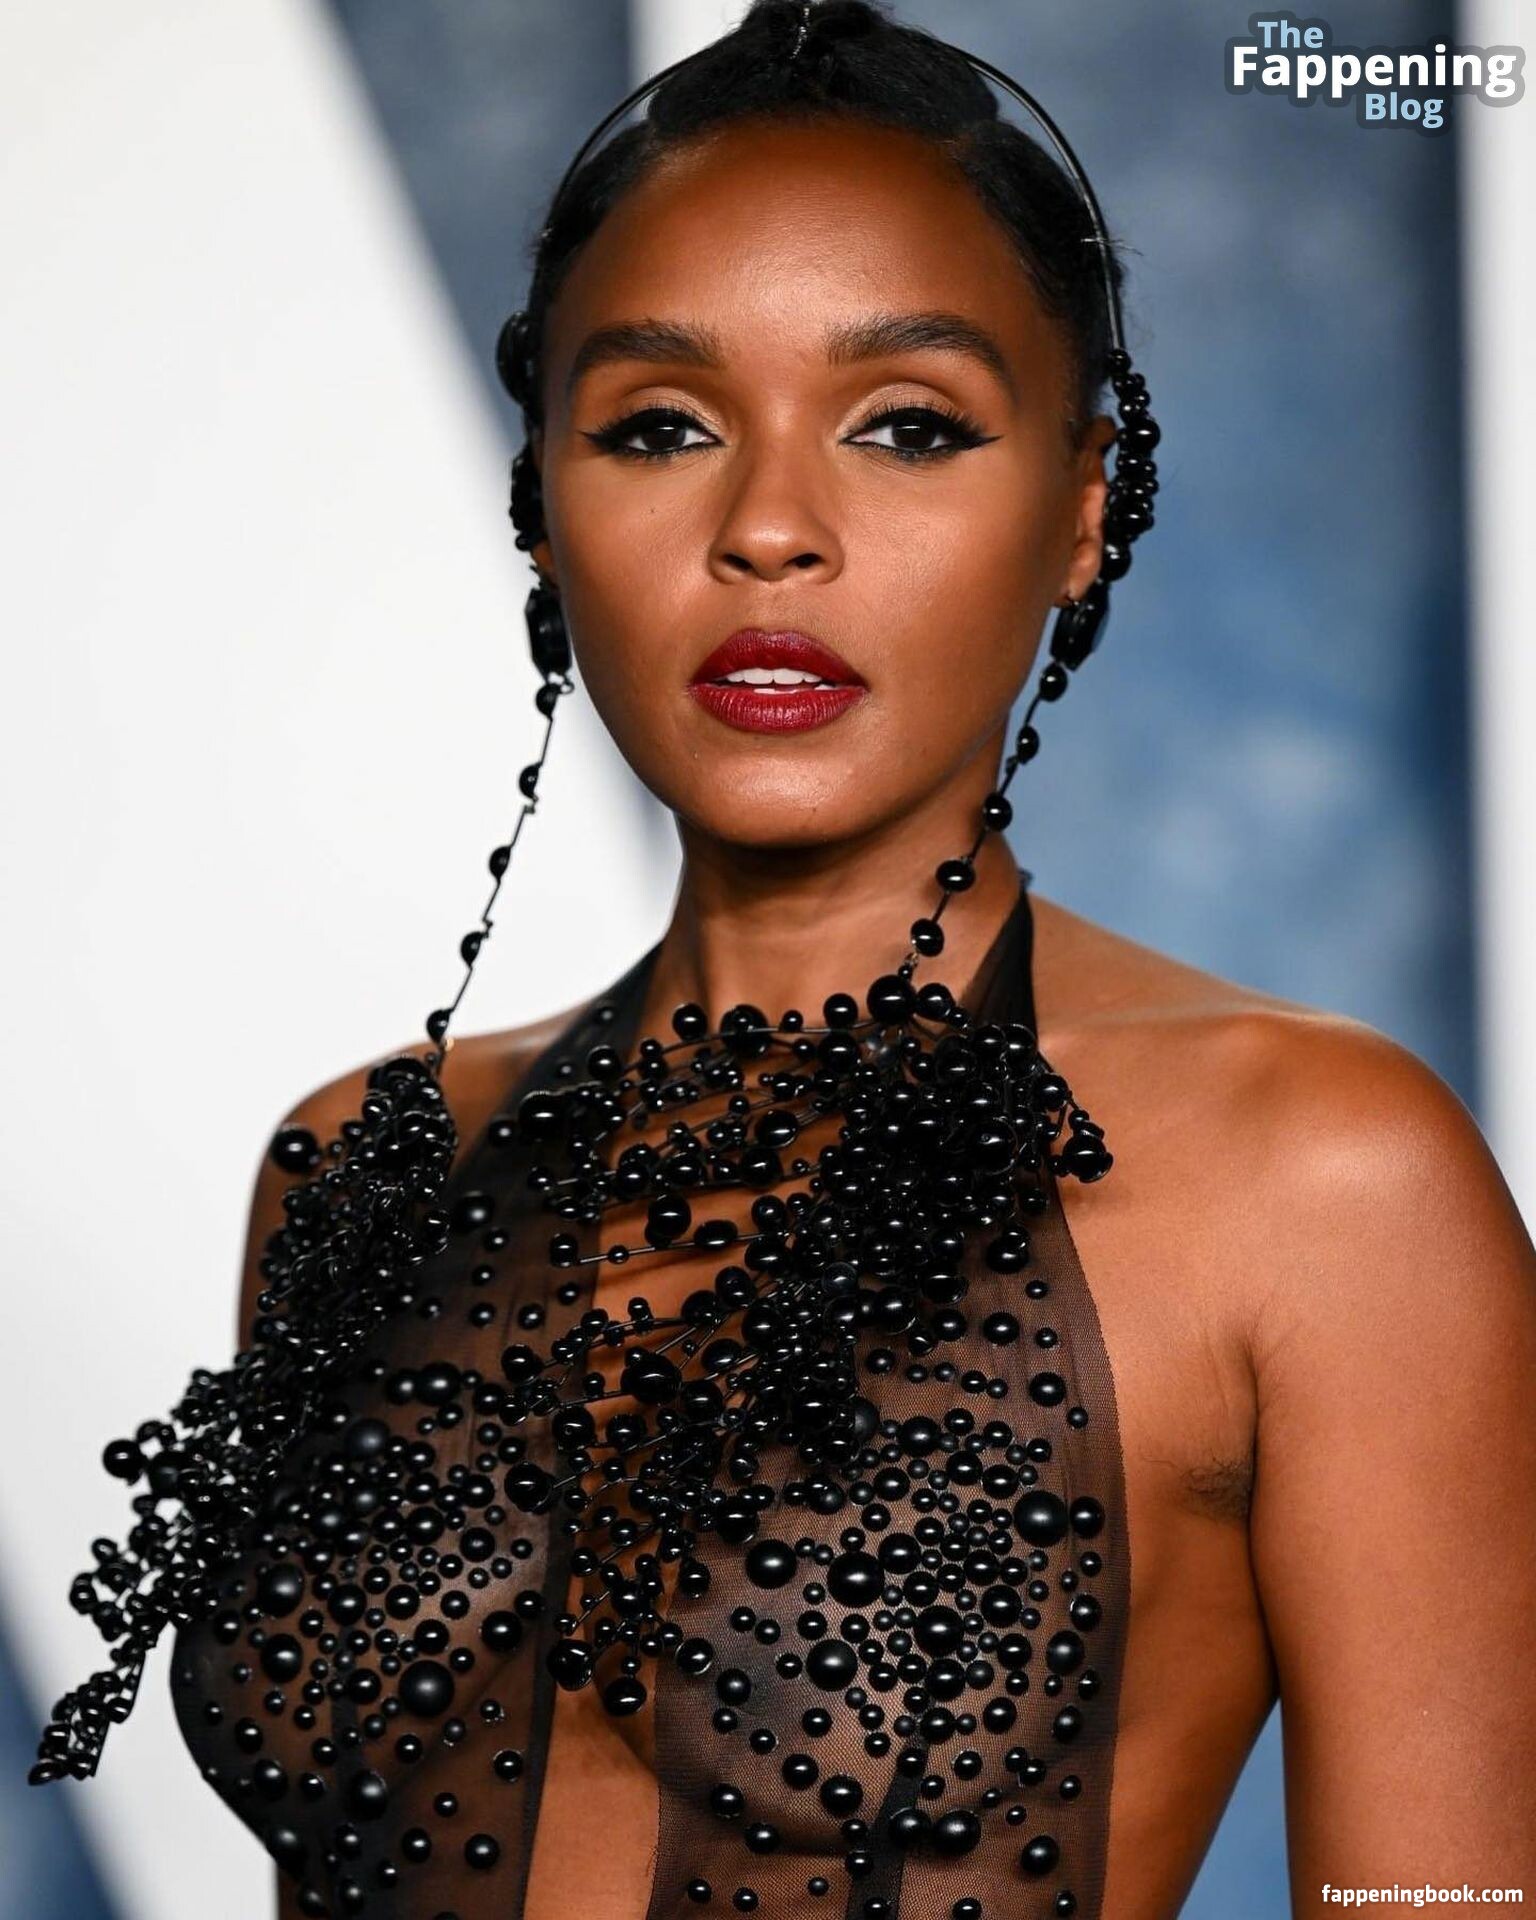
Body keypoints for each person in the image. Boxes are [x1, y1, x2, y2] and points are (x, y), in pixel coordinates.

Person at [33, 4, 1536, 1917]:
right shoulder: (358, 1167)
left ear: (1082, 509)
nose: (766, 532)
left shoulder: (1322, 1181)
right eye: (660, 427)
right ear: (543, 506)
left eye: (907, 425)